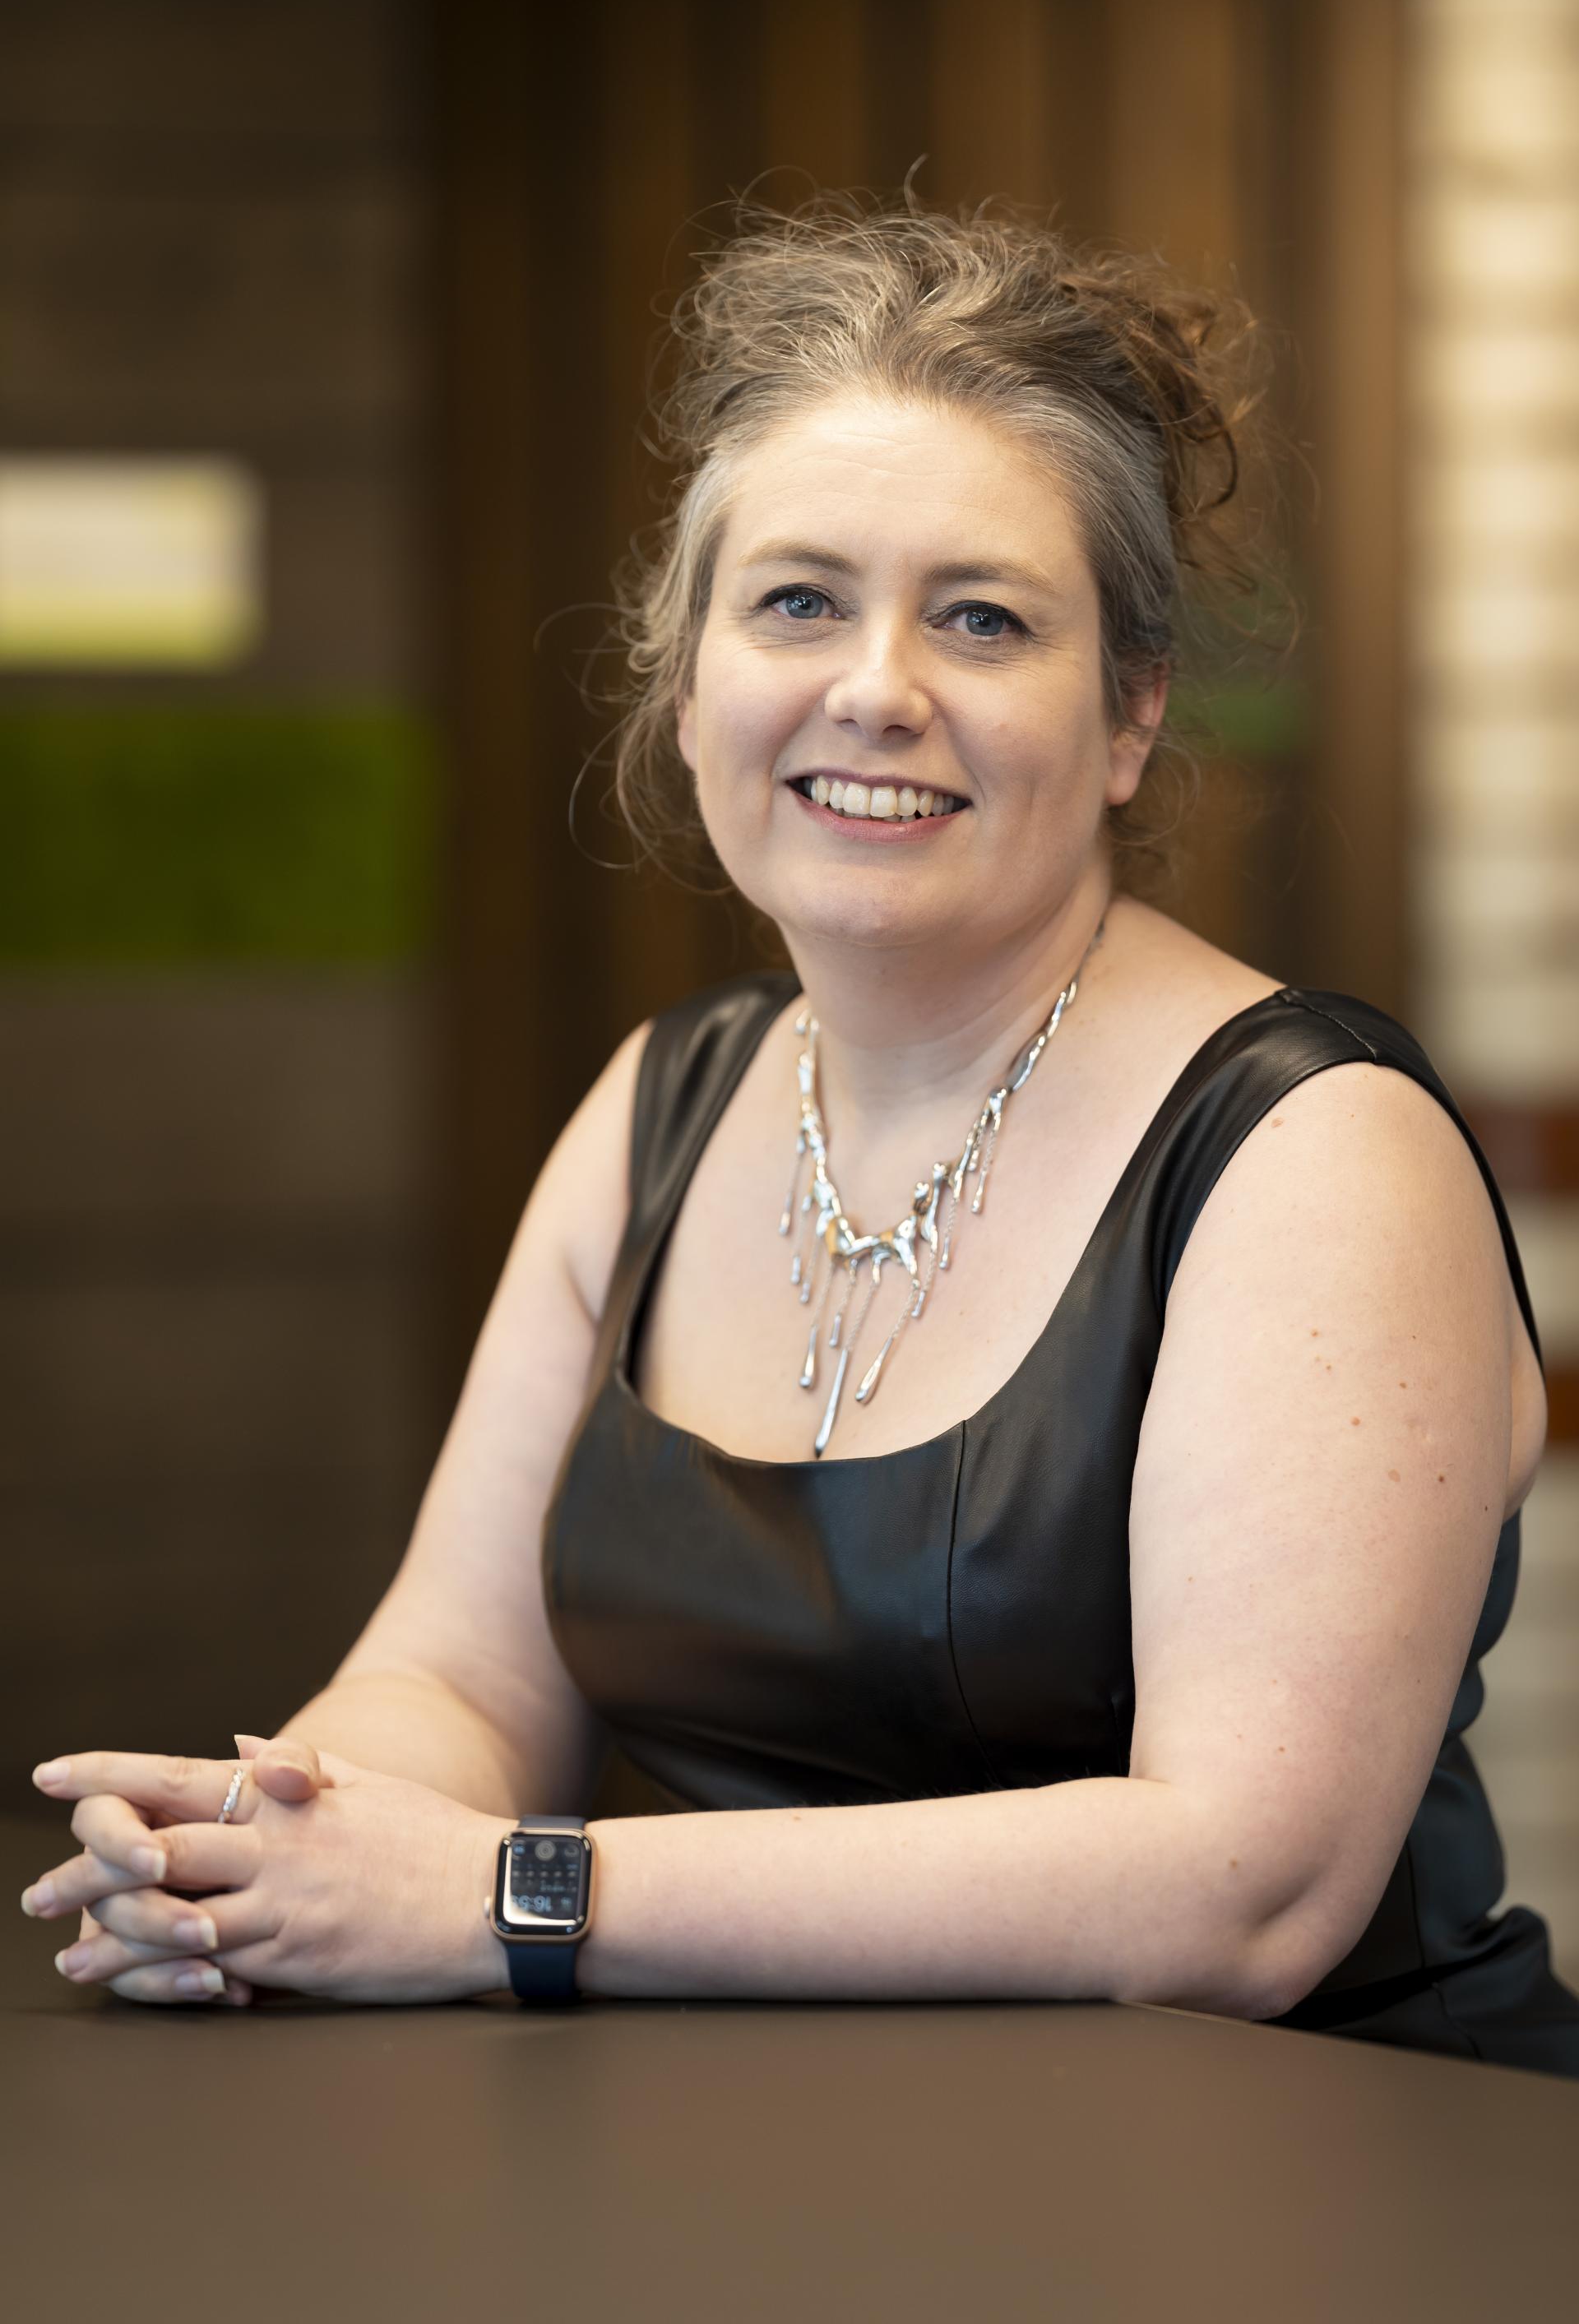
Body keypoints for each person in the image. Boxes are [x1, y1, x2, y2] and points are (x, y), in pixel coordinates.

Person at [21, 194, 1579, 2075]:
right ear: (692, 693)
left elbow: (1239, 1887)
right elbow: (456, 1677)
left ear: (1127, 716)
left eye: (984, 619)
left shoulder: (1316, 1152)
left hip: (1309, 2193)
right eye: (798, 601)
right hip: (775, 2164)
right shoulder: (659, 1105)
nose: (876, 687)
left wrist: (512, 1896)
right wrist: (276, 1838)